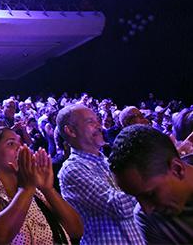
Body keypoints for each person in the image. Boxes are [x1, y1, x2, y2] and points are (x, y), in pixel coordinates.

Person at [0, 126, 83, 244]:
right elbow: (1, 236)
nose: (21, 148)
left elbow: (76, 230)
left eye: (20, 143)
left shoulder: (34, 190)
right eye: (11, 144)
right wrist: (26, 189)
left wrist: (48, 189)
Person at [57, 104, 144, 244]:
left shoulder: (107, 161)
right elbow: (119, 206)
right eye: (90, 122)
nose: (99, 125)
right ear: (71, 131)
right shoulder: (72, 170)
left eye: (97, 120)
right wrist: (153, 178)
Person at [109, 124, 193, 243]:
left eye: (150, 195)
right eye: (136, 197)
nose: (146, 209)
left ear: (177, 169)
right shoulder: (146, 218)